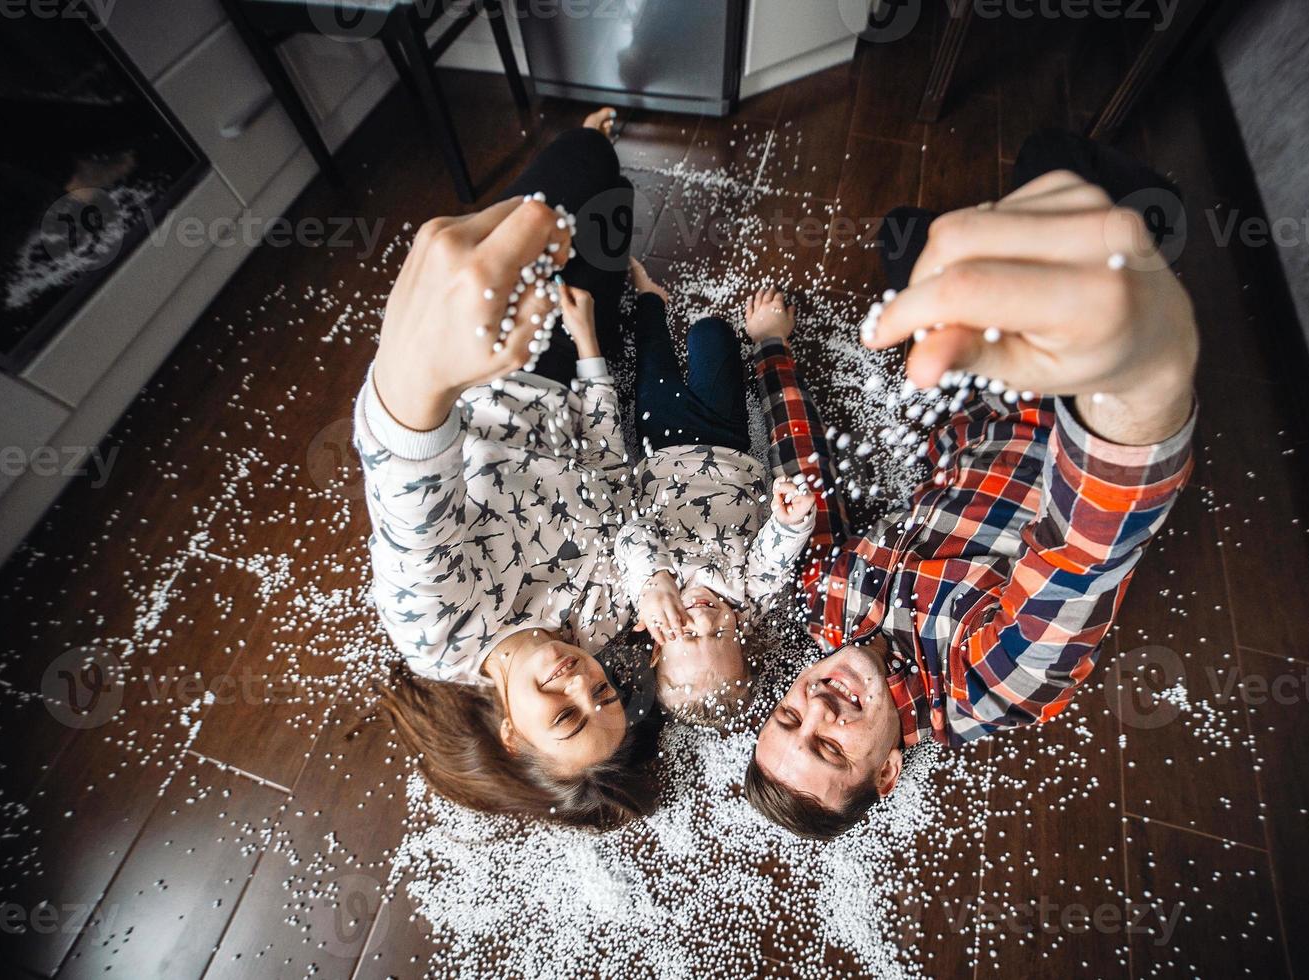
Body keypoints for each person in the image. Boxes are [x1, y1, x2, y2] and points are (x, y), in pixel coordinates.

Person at [743, 131, 1199, 840]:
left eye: (789, 719)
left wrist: (772, 349)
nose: (819, 707)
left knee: (904, 236)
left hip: (971, 406)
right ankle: (1145, 231)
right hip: (1068, 405)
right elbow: (1085, 554)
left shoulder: (825, 607)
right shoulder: (986, 682)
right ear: (888, 771)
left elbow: (803, 479)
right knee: (1055, 167)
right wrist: (1139, 376)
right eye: (830, 748)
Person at [356, 109, 659, 829]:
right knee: (615, 204)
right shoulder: (603, 613)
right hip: (568, 366)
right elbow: (610, 470)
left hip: (486, 356)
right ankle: (595, 156)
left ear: (511, 734)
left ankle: (580, 147)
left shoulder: (437, 631)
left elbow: (407, 489)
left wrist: (418, 380)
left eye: (565, 720)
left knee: (583, 165)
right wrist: (589, 348)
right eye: (605, 698)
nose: (580, 685)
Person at [615, 264, 816, 729]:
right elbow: (775, 556)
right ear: (742, 631)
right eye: (720, 633)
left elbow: (633, 532)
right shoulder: (749, 594)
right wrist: (790, 523)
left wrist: (654, 579)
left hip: (660, 444)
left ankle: (651, 298)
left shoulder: (646, 595)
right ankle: (714, 332)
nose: (704, 620)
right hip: (727, 443)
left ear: (658, 644)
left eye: (685, 632)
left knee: (652, 355)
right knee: (712, 333)